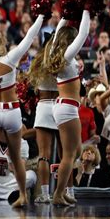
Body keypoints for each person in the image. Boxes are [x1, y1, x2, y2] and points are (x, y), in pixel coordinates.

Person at [0, 14, 44, 208]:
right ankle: (22, 194)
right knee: (15, 156)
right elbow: (29, 38)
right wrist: (40, 17)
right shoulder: (10, 58)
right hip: (11, 111)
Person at [43, 8, 90, 206]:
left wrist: (63, 18)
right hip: (68, 108)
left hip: (63, 106)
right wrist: (87, 9)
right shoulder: (67, 56)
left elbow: (54, 39)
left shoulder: (55, 53)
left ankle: (61, 193)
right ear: (69, 41)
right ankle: (58, 194)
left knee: (76, 151)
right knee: (70, 155)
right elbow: (84, 34)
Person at [28, 28, 63, 204]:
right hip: (59, 105)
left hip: (43, 106)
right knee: (66, 155)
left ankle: (44, 194)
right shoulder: (62, 61)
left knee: (43, 155)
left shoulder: (38, 63)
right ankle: (65, 192)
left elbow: (31, 86)